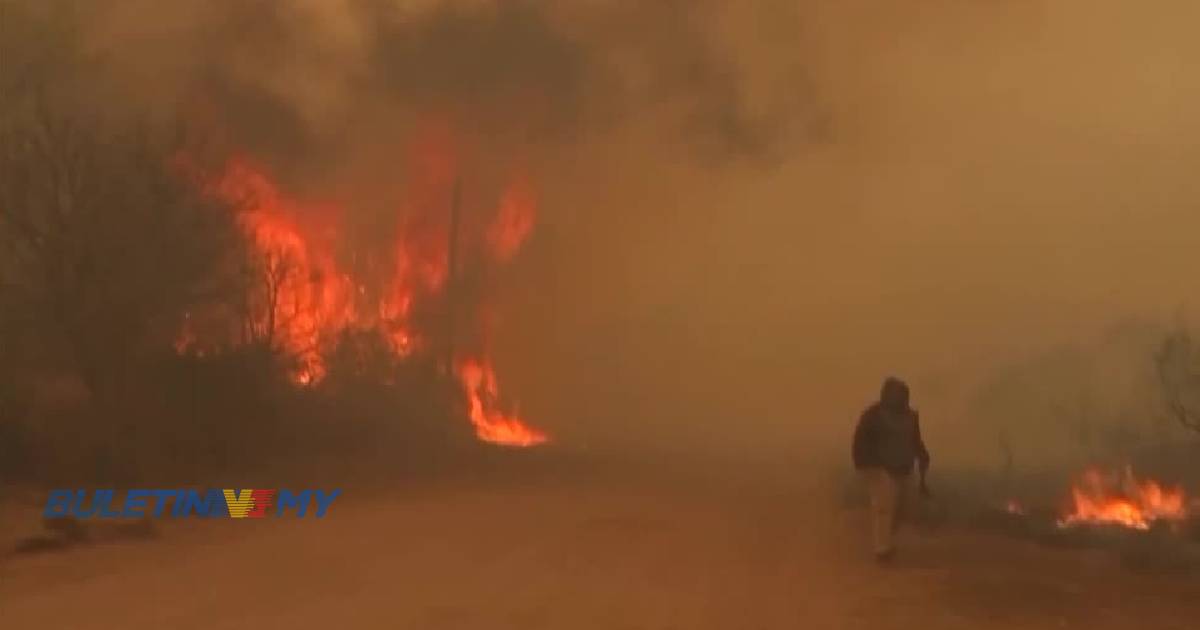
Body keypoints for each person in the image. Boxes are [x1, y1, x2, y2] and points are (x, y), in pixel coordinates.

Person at [851, 377, 931, 563]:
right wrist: (867, 465)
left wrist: (923, 455)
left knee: (903, 508)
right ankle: (882, 549)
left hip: (903, 469)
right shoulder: (873, 415)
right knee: (884, 508)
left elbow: (915, 440)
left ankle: (885, 537)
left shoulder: (911, 417)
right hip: (880, 469)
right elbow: (860, 442)